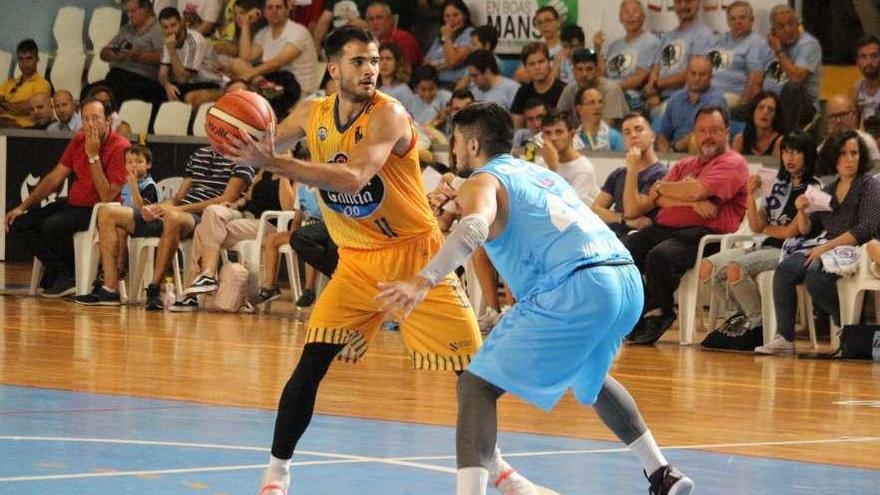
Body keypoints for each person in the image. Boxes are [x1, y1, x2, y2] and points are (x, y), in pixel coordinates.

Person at [228, 27, 532, 495]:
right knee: (310, 363)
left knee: (472, 376)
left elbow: (353, 179)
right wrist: (238, 145)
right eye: (358, 61)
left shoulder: (389, 116)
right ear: (333, 68)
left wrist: (276, 164)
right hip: (355, 260)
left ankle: (499, 468)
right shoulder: (312, 111)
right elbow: (264, 141)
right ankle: (275, 476)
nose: (370, 69)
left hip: (416, 257)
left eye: (374, 61)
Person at [374, 101, 694, 495]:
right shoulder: (537, 174)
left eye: (455, 143)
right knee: (587, 377)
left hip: (576, 287)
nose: (452, 153)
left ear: (472, 146)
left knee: (475, 386)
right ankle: (663, 473)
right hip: (624, 280)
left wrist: (423, 281)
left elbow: (475, 226)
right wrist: (459, 202)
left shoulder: (482, 181)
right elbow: (498, 211)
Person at [624, 106, 749, 345]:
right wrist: (692, 201)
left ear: (727, 132)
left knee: (660, 256)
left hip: (707, 236)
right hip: (668, 229)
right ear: (694, 133)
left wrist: (678, 190)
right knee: (627, 248)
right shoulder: (685, 165)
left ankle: (660, 311)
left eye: (714, 130)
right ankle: (637, 311)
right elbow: (656, 196)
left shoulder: (733, 163)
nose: (708, 136)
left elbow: (695, 190)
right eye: (702, 131)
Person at [73, 145, 254, 307]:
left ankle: (154, 288)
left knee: (173, 217)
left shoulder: (243, 158)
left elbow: (226, 199)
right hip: (175, 210)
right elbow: (178, 197)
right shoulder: (199, 154)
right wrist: (156, 208)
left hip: (203, 217)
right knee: (107, 212)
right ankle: (109, 288)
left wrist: (174, 209)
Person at [757, 130, 880, 355]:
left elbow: (866, 228)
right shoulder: (828, 190)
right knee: (785, 269)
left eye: (854, 153)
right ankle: (785, 338)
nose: (850, 159)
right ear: (833, 157)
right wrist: (802, 211)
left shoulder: (869, 185)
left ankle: (846, 324)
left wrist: (825, 247)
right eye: (843, 154)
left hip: (858, 249)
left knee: (815, 273)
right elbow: (807, 229)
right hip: (828, 249)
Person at [700, 131, 819, 339]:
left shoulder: (814, 187)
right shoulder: (777, 184)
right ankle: (740, 318)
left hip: (789, 251)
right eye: (786, 152)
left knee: (735, 269)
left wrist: (765, 228)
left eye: (796, 152)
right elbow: (756, 225)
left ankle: (758, 324)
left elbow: (790, 232)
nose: (789, 158)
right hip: (762, 245)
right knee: (707, 268)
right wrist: (750, 194)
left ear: (807, 155)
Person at [5, 98, 129, 297]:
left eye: (96, 118)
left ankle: (66, 274)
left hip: (101, 211)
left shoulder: (120, 146)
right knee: (19, 223)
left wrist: (93, 156)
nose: (90, 124)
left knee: (53, 225)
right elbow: (55, 177)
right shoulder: (79, 139)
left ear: (108, 120)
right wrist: (23, 206)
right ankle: (63, 271)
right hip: (74, 205)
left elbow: (107, 196)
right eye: (85, 119)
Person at [172, 170, 294, 311]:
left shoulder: (293, 172)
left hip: (272, 225)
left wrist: (284, 173)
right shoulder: (265, 169)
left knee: (205, 229)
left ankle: (199, 286)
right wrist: (234, 205)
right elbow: (248, 197)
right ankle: (203, 280)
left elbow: (289, 207)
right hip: (250, 219)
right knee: (210, 215)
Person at [592, 112, 667, 237]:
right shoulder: (618, 174)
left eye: (639, 129)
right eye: (627, 132)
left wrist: (632, 170)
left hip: (640, 238)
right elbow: (595, 210)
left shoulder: (661, 174)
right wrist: (623, 220)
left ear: (652, 136)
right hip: (613, 235)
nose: (633, 135)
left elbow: (632, 211)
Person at [761, 4, 822, 131]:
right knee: (735, 112)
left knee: (791, 88)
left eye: (791, 24)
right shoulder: (768, 45)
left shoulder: (809, 44)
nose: (788, 30)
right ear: (773, 31)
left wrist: (779, 51)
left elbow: (796, 78)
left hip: (803, 107)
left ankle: (787, 139)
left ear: (798, 24)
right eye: (781, 26)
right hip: (772, 103)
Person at [594, 0, 659, 114]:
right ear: (620, 18)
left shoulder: (650, 41)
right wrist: (598, 49)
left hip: (633, 96)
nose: (630, 15)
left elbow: (639, 78)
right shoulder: (614, 45)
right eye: (626, 12)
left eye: (635, 11)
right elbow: (602, 75)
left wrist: (611, 89)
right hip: (610, 94)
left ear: (643, 16)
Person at [99, 0, 165, 106]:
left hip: (141, 79)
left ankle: (113, 121)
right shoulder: (126, 29)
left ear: (145, 9)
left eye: (132, 11)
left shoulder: (158, 29)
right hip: (118, 75)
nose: (129, 15)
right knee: (90, 91)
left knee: (112, 94)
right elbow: (103, 53)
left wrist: (138, 56)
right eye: (127, 12)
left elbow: (163, 57)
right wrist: (113, 54)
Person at [656, 55, 727, 153]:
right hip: (674, 155)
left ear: (711, 77)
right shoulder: (675, 99)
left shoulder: (716, 101)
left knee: (695, 140)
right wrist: (667, 157)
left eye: (702, 75)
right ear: (686, 74)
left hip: (705, 154)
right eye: (693, 74)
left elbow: (704, 135)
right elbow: (663, 136)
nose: (697, 78)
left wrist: (675, 148)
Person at [157, 7, 224, 107]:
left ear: (181, 22)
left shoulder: (194, 41)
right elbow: (162, 73)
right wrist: (167, 86)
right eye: (165, 27)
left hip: (210, 82)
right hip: (191, 84)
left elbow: (183, 78)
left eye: (173, 25)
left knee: (181, 96)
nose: (170, 30)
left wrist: (172, 50)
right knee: (154, 92)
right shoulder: (168, 40)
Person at [708, 1, 767, 110]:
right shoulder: (721, 39)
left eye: (742, 18)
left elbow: (755, 79)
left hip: (730, 94)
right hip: (707, 91)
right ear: (728, 22)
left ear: (752, 20)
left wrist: (743, 106)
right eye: (733, 19)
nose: (737, 22)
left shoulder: (755, 42)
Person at [540, 109, 600, 206]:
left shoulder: (584, 169)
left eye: (559, 132)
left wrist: (552, 168)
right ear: (542, 136)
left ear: (571, 134)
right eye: (548, 133)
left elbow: (568, 207)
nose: (553, 138)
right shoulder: (540, 164)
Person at [555, 48, 629, 125]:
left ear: (597, 71)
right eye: (579, 69)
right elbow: (557, 120)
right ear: (573, 71)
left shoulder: (610, 89)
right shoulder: (569, 91)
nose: (584, 74)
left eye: (589, 69)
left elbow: (606, 127)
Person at [509, 42, 567, 129]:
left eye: (541, 62)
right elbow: (517, 128)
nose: (537, 67)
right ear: (525, 68)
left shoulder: (564, 90)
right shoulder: (522, 92)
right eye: (532, 64)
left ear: (549, 63)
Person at [0, 39, 51, 129]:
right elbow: (20, 107)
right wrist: (15, 106)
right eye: (21, 59)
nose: (25, 63)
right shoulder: (8, 83)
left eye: (29, 58)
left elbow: (26, 108)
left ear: (37, 59)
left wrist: (4, 105)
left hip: (24, 129)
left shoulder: (42, 84)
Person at [422, 0, 473, 87]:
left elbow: (453, 61)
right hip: (435, 83)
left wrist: (447, 38)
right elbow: (426, 65)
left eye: (455, 15)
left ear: (464, 16)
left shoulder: (469, 34)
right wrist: (444, 64)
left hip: (454, 84)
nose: (451, 20)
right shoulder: (439, 38)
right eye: (447, 16)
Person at [366, 1, 421, 67]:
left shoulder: (404, 40)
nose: (374, 23)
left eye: (379, 18)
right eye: (371, 19)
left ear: (390, 19)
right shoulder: (367, 42)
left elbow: (406, 71)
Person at [731, 91, 784, 157]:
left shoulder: (780, 141)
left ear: (776, 115)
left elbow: (776, 166)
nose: (765, 112)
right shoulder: (740, 139)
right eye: (760, 107)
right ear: (753, 112)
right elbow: (732, 166)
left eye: (771, 109)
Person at [574, 87, 625, 152]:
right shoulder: (572, 138)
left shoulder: (614, 137)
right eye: (592, 102)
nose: (597, 106)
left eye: (600, 102)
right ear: (579, 109)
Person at [851, 34, 880, 122]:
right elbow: (853, 128)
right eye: (863, 57)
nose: (869, 62)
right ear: (857, 62)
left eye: (874, 56)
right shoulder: (856, 89)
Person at [377, 42, 415, 108]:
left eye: (388, 58)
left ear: (397, 63)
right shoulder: (372, 89)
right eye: (381, 59)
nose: (384, 63)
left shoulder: (403, 90)